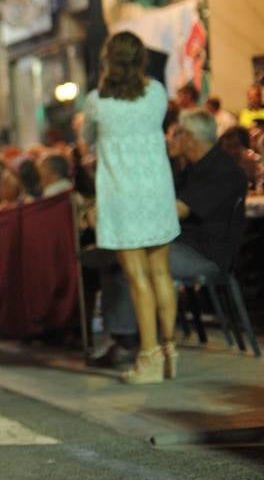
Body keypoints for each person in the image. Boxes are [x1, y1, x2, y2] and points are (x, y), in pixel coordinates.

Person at [102, 110, 248, 349]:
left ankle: (126, 341)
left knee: (132, 262)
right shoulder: (191, 168)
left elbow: (177, 210)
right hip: (182, 244)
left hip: (205, 254)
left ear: (189, 137)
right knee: (115, 260)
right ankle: (121, 336)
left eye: (174, 134)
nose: (168, 139)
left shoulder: (222, 170)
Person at [81, 33, 180, 384]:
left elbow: (88, 140)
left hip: (122, 195)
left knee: (137, 280)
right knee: (161, 274)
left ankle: (148, 358)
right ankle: (170, 352)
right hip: (156, 190)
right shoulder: (156, 93)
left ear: (108, 59)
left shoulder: (96, 102)